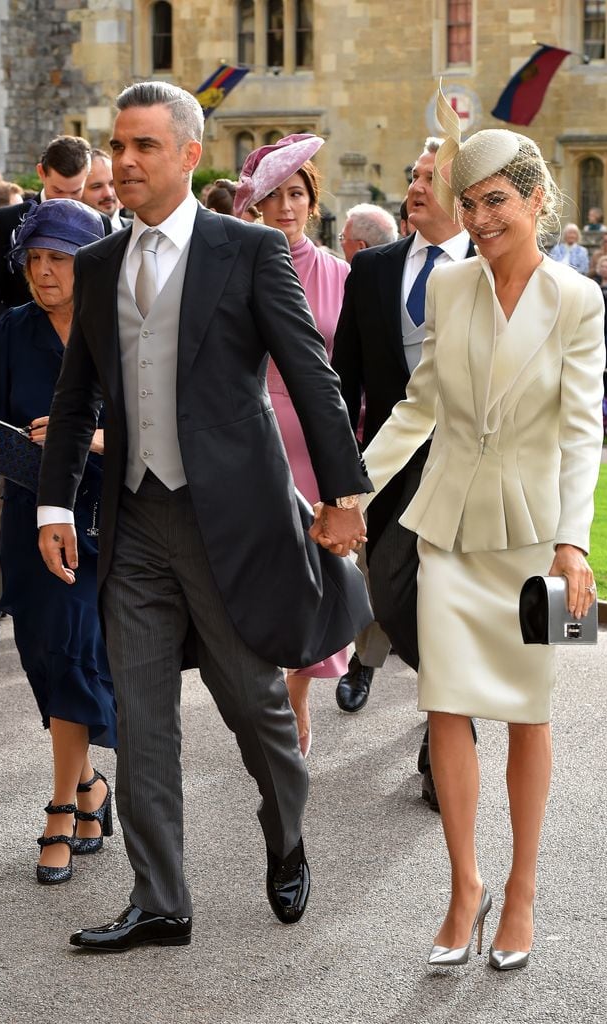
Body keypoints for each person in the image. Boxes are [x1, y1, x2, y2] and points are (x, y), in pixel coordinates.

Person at [36, 81, 371, 953]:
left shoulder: (248, 249)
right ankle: (161, 900)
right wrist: (51, 501)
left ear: (190, 154)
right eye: (118, 145)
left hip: (232, 522)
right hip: (135, 522)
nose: (126, 163)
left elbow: (311, 376)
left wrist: (341, 497)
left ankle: (286, 833)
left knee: (254, 709)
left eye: (145, 146)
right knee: (141, 719)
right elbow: (76, 400)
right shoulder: (101, 262)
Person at [348, 113, 604, 971]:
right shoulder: (450, 287)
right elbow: (416, 408)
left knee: (529, 714)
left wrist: (574, 542)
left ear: (534, 199)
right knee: (443, 704)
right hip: (446, 530)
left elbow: (581, 433)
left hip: (537, 546)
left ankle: (521, 891)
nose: (482, 217)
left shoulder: (579, 299)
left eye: (496, 200)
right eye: (470, 202)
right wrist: (355, 490)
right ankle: (464, 886)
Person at [0, 199, 115, 884]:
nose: (42, 272)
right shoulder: (16, 328)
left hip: (102, 520)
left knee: (73, 654)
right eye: (34, 260)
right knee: (43, 661)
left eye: (58, 259)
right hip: (28, 516)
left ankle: (59, 809)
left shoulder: (120, 328)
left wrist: (92, 436)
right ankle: (88, 789)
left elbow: (160, 428)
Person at [331, 137, 475, 808]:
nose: (414, 189)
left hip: (469, 466)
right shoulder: (374, 270)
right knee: (387, 589)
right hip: (388, 461)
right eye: (412, 177)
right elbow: (345, 378)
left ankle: (444, 731)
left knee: (449, 597)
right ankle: (446, 688)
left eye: (428, 180)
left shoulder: (488, 267)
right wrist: (344, 471)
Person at [235, 133, 352, 757]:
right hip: (251, 440)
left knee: (315, 576)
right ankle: (263, 693)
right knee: (259, 575)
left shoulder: (339, 275)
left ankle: (297, 696)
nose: (286, 206)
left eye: (298, 194)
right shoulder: (234, 265)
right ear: (255, 203)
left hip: (316, 444)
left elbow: (349, 374)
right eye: (275, 195)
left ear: (313, 201)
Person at [0, 135, 102, 339]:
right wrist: (17, 334)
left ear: (87, 175)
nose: (65, 201)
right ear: (41, 172)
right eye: (57, 190)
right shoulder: (6, 221)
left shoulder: (99, 224)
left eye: (75, 191)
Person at [82, 148, 124, 230]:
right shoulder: (70, 240)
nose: (108, 194)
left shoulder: (140, 234)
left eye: (112, 184)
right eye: (97, 187)